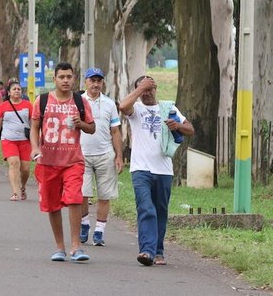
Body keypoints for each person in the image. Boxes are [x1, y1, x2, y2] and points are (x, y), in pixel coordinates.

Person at [119, 75, 194, 266]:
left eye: (151, 88)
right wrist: (139, 89)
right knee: (146, 208)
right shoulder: (136, 109)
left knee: (160, 211)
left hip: (164, 170)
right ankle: (146, 251)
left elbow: (190, 129)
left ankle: (158, 251)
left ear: (156, 89)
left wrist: (177, 125)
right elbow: (122, 106)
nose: (147, 93)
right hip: (140, 169)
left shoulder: (168, 108)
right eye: (144, 89)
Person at [30, 62, 95, 262]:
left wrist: (81, 123)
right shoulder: (42, 101)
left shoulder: (80, 101)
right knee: (52, 205)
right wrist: (35, 148)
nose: (65, 80)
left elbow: (91, 128)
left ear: (74, 78)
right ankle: (60, 247)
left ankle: (76, 247)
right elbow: (34, 128)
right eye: (61, 77)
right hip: (48, 162)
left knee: (75, 198)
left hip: (73, 161)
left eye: (69, 77)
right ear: (55, 79)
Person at [79, 67, 123, 247]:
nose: (95, 84)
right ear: (86, 82)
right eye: (92, 80)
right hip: (81, 154)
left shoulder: (109, 103)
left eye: (99, 80)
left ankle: (99, 231)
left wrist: (119, 155)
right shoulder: (78, 101)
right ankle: (84, 224)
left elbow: (115, 130)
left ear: (102, 82)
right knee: (82, 194)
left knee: (105, 195)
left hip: (105, 154)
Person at [0, 79, 33, 201]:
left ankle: (22, 187)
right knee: (14, 163)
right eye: (14, 89)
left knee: (25, 168)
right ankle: (15, 192)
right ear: (8, 92)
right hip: (8, 140)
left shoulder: (28, 105)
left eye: (19, 89)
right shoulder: (3, 106)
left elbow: (34, 124)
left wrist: (37, 141)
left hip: (25, 140)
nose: (17, 91)